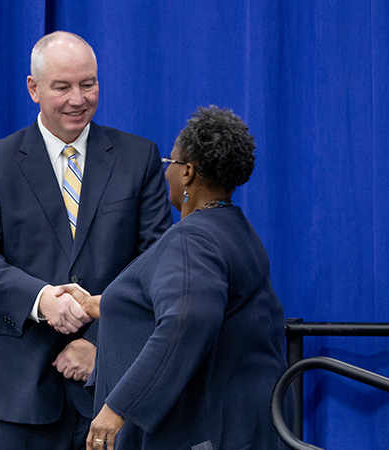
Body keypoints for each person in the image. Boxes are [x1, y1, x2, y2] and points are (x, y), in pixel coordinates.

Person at [0, 31, 172, 450]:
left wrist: (100, 344)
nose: (78, 98)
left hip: (113, 389)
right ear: (34, 89)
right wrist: (42, 300)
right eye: (62, 87)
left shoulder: (138, 157)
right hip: (18, 395)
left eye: (87, 84)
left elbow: (156, 265)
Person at [62, 106, 291, 449]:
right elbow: (185, 303)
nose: (165, 172)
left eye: (170, 163)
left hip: (208, 430)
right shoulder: (235, 228)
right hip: (244, 421)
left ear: (188, 174)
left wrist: (117, 408)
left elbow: (187, 321)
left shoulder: (191, 240)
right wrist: (98, 305)